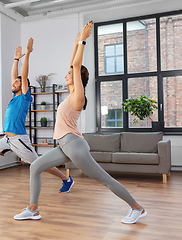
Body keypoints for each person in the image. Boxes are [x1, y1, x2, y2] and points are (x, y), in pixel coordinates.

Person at [14, 22, 147, 224]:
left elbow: (75, 66)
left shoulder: (79, 96)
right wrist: (75, 43)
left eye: (69, 74)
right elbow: (72, 65)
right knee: (35, 167)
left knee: (105, 179)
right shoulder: (71, 95)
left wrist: (83, 41)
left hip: (75, 147)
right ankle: (33, 209)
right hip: (64, 145)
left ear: (77, 79)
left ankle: (137, 208)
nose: (66, 74)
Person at [0, 38, 74, 197]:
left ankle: (66, 179)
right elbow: (15, 75)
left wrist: (27, 54)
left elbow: (23, 74)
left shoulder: (24, 97)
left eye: (17, 82)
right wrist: (16, 59)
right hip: (7, 139)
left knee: (39, 164)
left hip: (19, 140)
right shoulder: (15, 97)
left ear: (23, 86)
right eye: (14, 81)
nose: (14, 82)